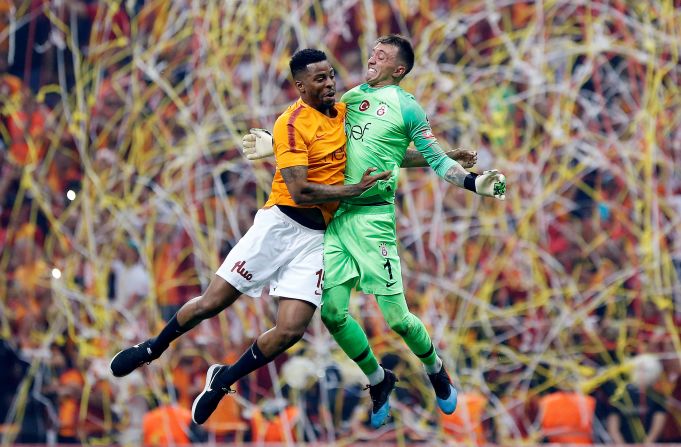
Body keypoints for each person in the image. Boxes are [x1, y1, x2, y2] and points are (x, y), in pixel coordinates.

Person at [109, 48, 392, 425]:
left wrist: (439, 159)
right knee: (212, 303)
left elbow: (386, 151)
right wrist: (353, 191)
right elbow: (301, 190)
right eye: (320, 79)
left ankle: (223, 378)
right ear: (300, 86)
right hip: (278, 227)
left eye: (331, 75)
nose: (329, 84)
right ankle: (152, 348)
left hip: (318, 239)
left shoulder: (345, 116)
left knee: (291, 330)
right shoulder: (290, 124)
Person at [243, 35, 506, 428]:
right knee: (332, 314)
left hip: (373, 220)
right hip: (335, 217)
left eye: (381, 56)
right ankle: (377, 379)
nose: (371, 57)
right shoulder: (348, 100)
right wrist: (274, 146)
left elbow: (429, 159)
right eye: (373, 51)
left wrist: (471, 182)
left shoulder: (408, 108)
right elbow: (311, 133)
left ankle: (435, 369)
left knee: (398, 320)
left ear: (398, 69)